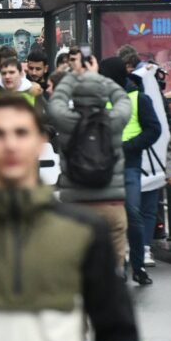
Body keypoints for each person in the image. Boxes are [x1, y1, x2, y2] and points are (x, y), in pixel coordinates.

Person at [0, 95, 150, 341]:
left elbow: (117, 331)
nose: (10, 144)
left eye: (21, 133)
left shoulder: (82, 232)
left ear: (41, 142)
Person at [47, 55, 132, 267]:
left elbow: (56, 101)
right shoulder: (114, 121)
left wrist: (74, 76)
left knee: (78, 265)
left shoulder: (68, 122)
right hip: (111, 205)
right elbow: (122, 98)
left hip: (76, 206)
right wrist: (97, 77)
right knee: (114, 263)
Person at [97, 58, 163, 285]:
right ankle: (116, 265)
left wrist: (129, 146)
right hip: (104, 167)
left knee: (133, 214)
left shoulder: (138, 99)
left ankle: (138, 265)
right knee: (107, 219)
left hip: (129, 165)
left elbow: (154, 129)